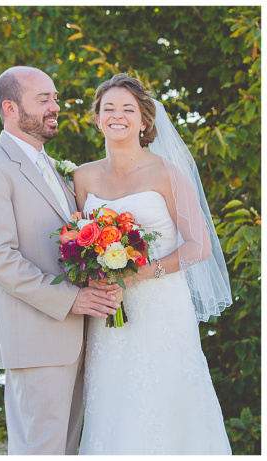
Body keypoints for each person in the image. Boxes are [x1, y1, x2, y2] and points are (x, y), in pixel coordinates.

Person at [0, 66, 121, 455]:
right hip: (36, 337)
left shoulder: (52, 167)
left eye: (55, 98)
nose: (55, 107)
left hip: (79, 336)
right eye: (43, 99)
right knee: (39, 449)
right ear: (11, 108)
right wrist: (70, 299)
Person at [73, 73, 232, 455]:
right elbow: (76, 241)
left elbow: (199, 246)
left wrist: (143, 271)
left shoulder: (167, 172)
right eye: (108, 108)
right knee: (113, 403)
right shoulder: (82, 176)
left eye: (128, 109)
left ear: (144, 121)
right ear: (97, 119)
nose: (117, 116)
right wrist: (94, 273)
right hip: (108, 310)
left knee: (168, 400)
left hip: (161, 306)